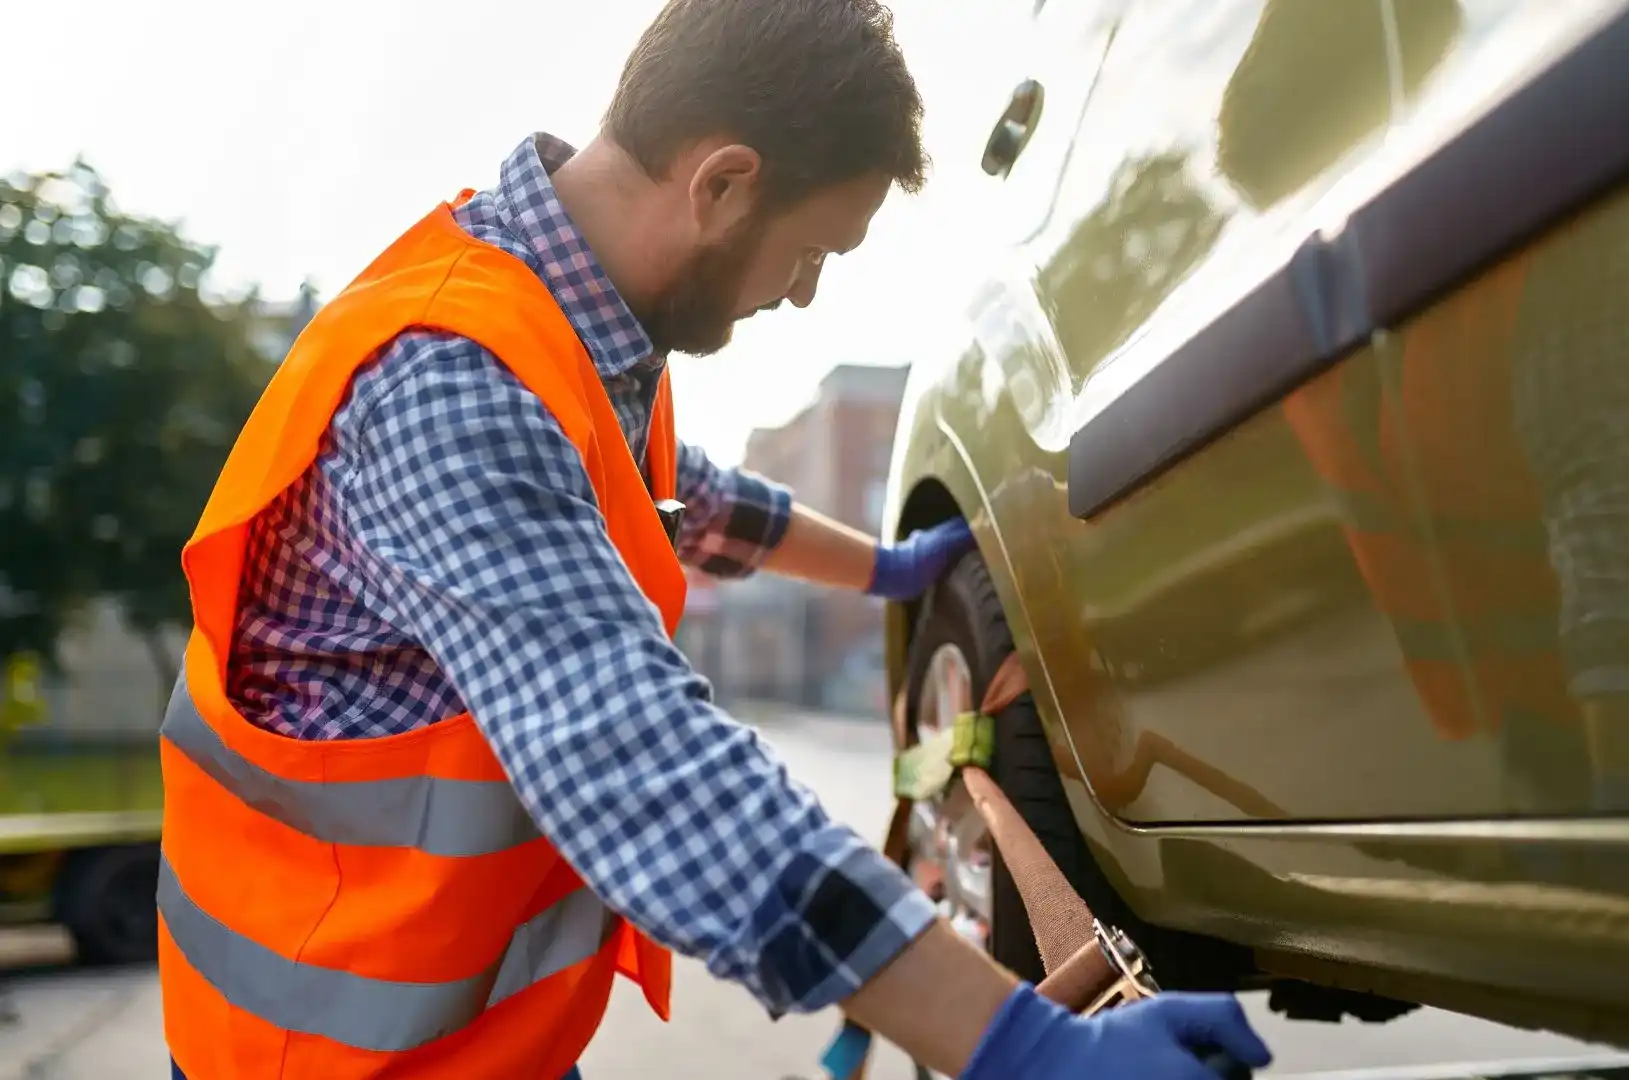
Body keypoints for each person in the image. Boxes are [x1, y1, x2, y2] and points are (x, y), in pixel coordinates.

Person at [155, 1, 1270, 1078]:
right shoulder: (456, 383)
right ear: (725, 182)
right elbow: (643, 765)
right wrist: (1019, 1046)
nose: (802, 297)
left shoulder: (568, 333)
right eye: (811, 253)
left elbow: (698, 501)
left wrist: (888, 568)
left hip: (464, 1043)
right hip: (329, 1058)